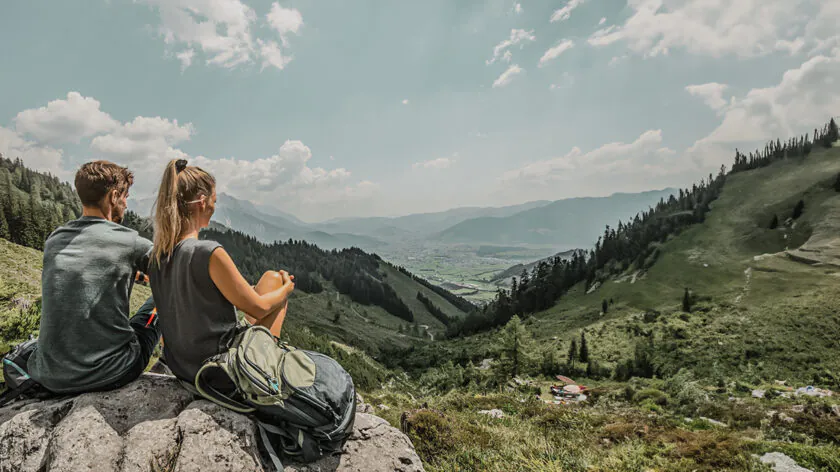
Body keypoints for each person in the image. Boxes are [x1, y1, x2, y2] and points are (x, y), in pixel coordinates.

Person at [148, 158, 295, 387]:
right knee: (278, 295)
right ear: (202, 202)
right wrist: (287, 289)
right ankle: (264, 376)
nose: (215, 208)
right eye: (214, 201)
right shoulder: (208, 252)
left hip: (184, 368)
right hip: (219, 372)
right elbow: (259, 307)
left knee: (270, 278)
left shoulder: (158, 256)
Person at [27, 161, 161, 394]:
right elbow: (178, 273)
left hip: (50, 374)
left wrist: (134, 274)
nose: (126, 204)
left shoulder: (55, 239)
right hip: (111, 372)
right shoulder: (131, 242)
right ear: (114, 196)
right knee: (161, 298)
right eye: (125, 196)